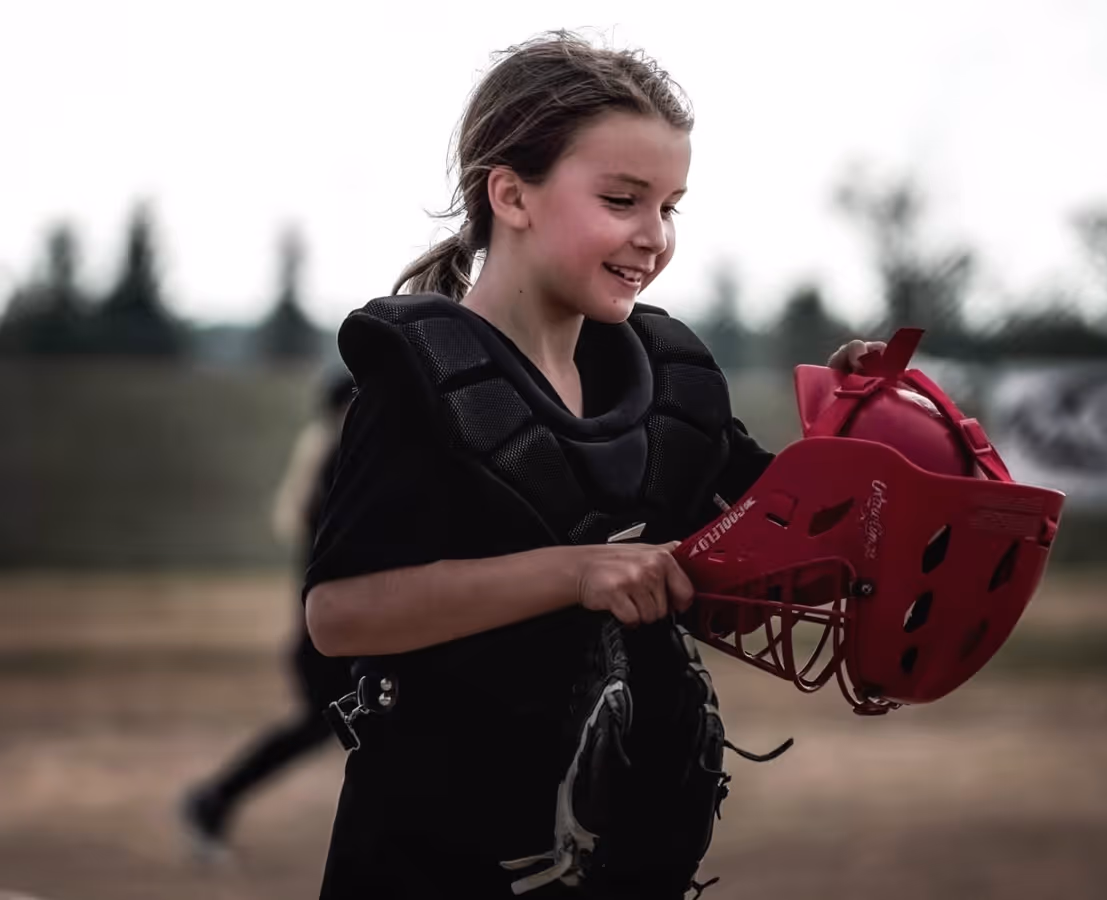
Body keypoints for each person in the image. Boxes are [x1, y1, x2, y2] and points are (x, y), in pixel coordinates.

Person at [304, 31, 883, 900]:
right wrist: (576, 571)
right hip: (428, 861)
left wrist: (861, 433)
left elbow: (784, 544)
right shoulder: (422, 385)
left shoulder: (668, 391)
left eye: (671, 206)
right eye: (622, 199)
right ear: (512, 194)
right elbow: (340, 615)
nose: (653, 237)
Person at [181, 372, 357, 860]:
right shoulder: (339, 468)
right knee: (346, 734)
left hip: (324, 638)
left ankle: (214, 799)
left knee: (326, 731)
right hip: (329, 640)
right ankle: (212, 799)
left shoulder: (330, 464)